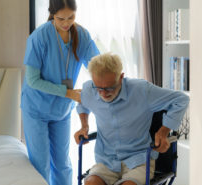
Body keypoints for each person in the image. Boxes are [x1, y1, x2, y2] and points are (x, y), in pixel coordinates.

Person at [74, 53, 189, 185]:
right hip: (106, 161)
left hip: (139, 160)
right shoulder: (89, 88)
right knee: (91, 182)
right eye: (99, 88)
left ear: (121, 77)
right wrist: (84, 126)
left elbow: (181, 100)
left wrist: (163, 131)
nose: (104, 94)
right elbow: (82, 101)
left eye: (110, 87)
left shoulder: (142, 90)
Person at [20, 0, 100, 184]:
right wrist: (68, 93)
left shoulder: (81, 35)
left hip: (61, 110)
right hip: (36, 109)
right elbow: (32, 80)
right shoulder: (39, 37)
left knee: (63, 164)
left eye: (71, 17)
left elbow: (97, 66)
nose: (66, 23)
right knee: (41, 165)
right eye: (60, 18)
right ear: (52, 15)